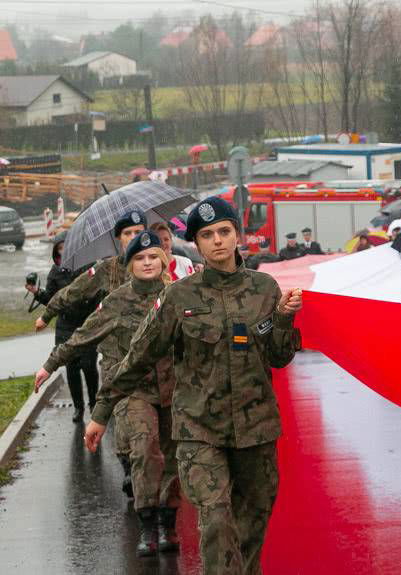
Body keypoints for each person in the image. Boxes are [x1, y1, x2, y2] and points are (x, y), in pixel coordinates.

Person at [83, 196, 302, 574]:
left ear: (237, 235)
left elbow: (280, 357)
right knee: (216, 522)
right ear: (196, 245)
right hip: (200, 430)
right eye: (207, 235)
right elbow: (138, 356)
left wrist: (283, 319)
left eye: (224, 231)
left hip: (256, 430)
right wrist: (102, 412)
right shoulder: (179, 296)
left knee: (252, 527)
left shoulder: (265, 289)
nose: (217, 240)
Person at [34, 231, 181, 556]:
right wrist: (50, 365)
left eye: (152, 257)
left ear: (163, 261)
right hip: (133, 391)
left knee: (173, 460)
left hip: (174, 392)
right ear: (129, 265)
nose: (146, 263)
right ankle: (147, 525)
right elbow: (82, 336)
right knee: (144, 450)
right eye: (139, 258)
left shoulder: (177, 295)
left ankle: (168, 524)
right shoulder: (118, 300)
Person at [26, 232, 99, 422]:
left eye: (66, 247)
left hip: (87, 324)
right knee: (72, 368)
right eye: (59, 249)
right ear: (55, 251)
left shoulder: (88, 266)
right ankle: (78, 407)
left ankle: (94, 404)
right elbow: (51, 299)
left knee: (90, 367)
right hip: (65, 326)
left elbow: (99, 291)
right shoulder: (56, 271)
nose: (63, 252)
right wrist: (36, 292)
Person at [36, 209, 147, 332]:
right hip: (116, 346)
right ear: (119, 237)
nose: (133, 237)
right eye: (127, 233)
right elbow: (75, 290)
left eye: (138, 232)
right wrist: (47, 315)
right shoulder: (108, 268)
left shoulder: (159, 265)